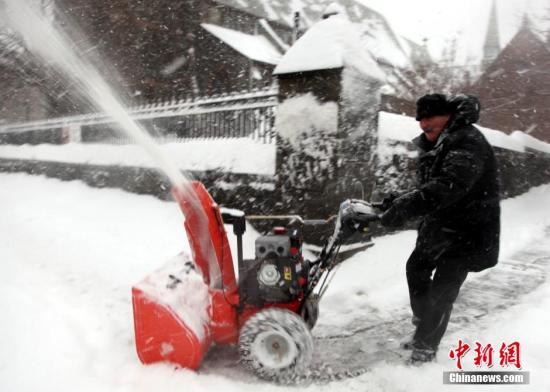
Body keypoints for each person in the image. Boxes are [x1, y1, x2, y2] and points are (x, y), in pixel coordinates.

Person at [380, 93, 500, 364]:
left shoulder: (467, 141)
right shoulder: (442, 142)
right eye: (420, 118)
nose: (423, 123)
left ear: (448, 116)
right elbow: (429, 186)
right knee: (417, 268)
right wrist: (397, 201)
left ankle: (425, 347)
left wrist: (405, 207)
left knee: (443, 290)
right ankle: (425, 325)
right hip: (441, 228)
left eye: (429, 117)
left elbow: (449, 185)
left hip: (467, 232)